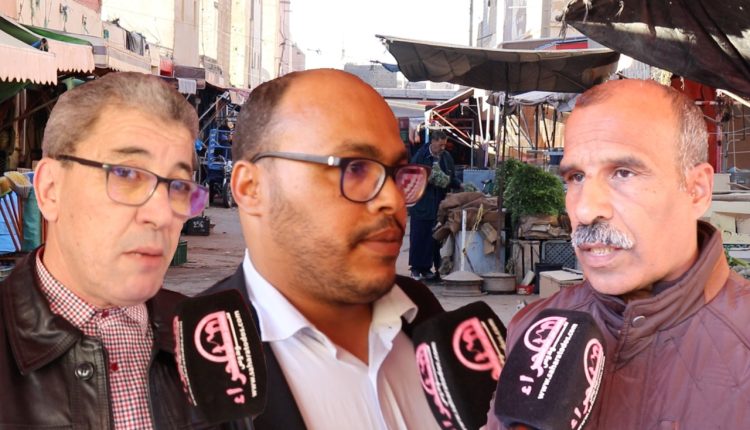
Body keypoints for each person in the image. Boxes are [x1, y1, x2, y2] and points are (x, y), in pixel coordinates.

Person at [487, 79, 750, 428]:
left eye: (623, 173)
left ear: (697, 190)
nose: (585, 210)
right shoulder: (536, 330)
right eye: (576, 177)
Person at [203, 69, 444, 430]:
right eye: (355, 168)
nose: (393, 201)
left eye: (397, 174)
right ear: (252, 188)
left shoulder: (423, 314)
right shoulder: (186, 367)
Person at [0, 72, 214, 428]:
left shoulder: (205, 336)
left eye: (179, 186)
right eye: (127, 175)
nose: (163, 215)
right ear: (51, 189)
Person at [408, 129, 461, 281]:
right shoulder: (421, 156)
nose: (442, 148)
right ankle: (416, 269)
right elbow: (413, 177)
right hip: (422, 204)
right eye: (440, 145)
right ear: (432, 142)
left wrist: (460, 185)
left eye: (444, 145)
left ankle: (432, 269)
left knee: (435, 238)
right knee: (420, 236)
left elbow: (451, 177)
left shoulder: (446, 157)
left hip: (439, 205)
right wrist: (429, 179)